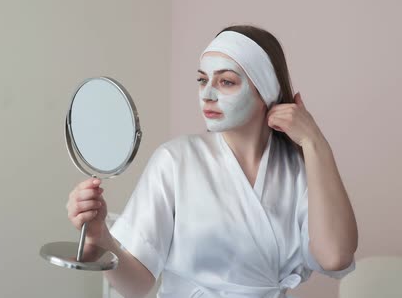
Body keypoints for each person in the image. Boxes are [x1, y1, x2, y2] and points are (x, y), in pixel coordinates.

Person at [66, 24, 358, 298]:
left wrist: (315, 143)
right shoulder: (175, 161)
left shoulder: (299, 170)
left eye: (226, 82)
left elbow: (335, 257)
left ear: (265, 90)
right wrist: (101, 237)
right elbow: (136, 286)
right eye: (202, 80)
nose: (207, 94)